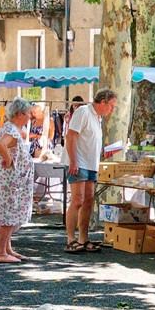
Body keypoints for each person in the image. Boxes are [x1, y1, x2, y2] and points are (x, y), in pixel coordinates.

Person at [65, 88, 116, 252]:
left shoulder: (97, 118)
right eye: (111, 106)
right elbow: (70, 136)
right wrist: (73, 161)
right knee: (78, 200)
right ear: (103, 102)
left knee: (88, 201)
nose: (112, 110)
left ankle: (83, 238)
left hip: (91, 163)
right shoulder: (83, 111)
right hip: (79, 163)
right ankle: (71, 239)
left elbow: (89, 141)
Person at [0, 97, 32, 261]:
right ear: (20, 114)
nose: (30, 117)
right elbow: (1, 145)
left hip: (12, 181)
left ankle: (7, 249)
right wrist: (9, 160)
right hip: (10, 181)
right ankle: (0, 253)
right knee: (8, 215)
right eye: (28, 113)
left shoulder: (11, 128)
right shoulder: (11, 131)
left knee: (11, 214)